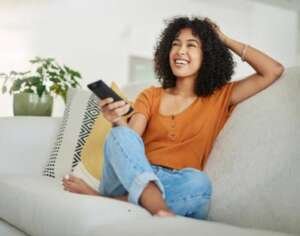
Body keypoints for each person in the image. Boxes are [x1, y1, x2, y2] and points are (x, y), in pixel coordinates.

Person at [62, 16, 284, 219]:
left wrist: (224, 39)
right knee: (119, 135)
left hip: (175, 183)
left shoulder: (221, 96)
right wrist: (116, 119)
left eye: (191, 45)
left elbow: (273, 70)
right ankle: (156, 205)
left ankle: (111, 201)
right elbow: (131, 141)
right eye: (175, 44)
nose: (180, 51)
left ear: (207, 54)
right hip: (129, 178)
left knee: (199, 183)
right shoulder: (151, 95)